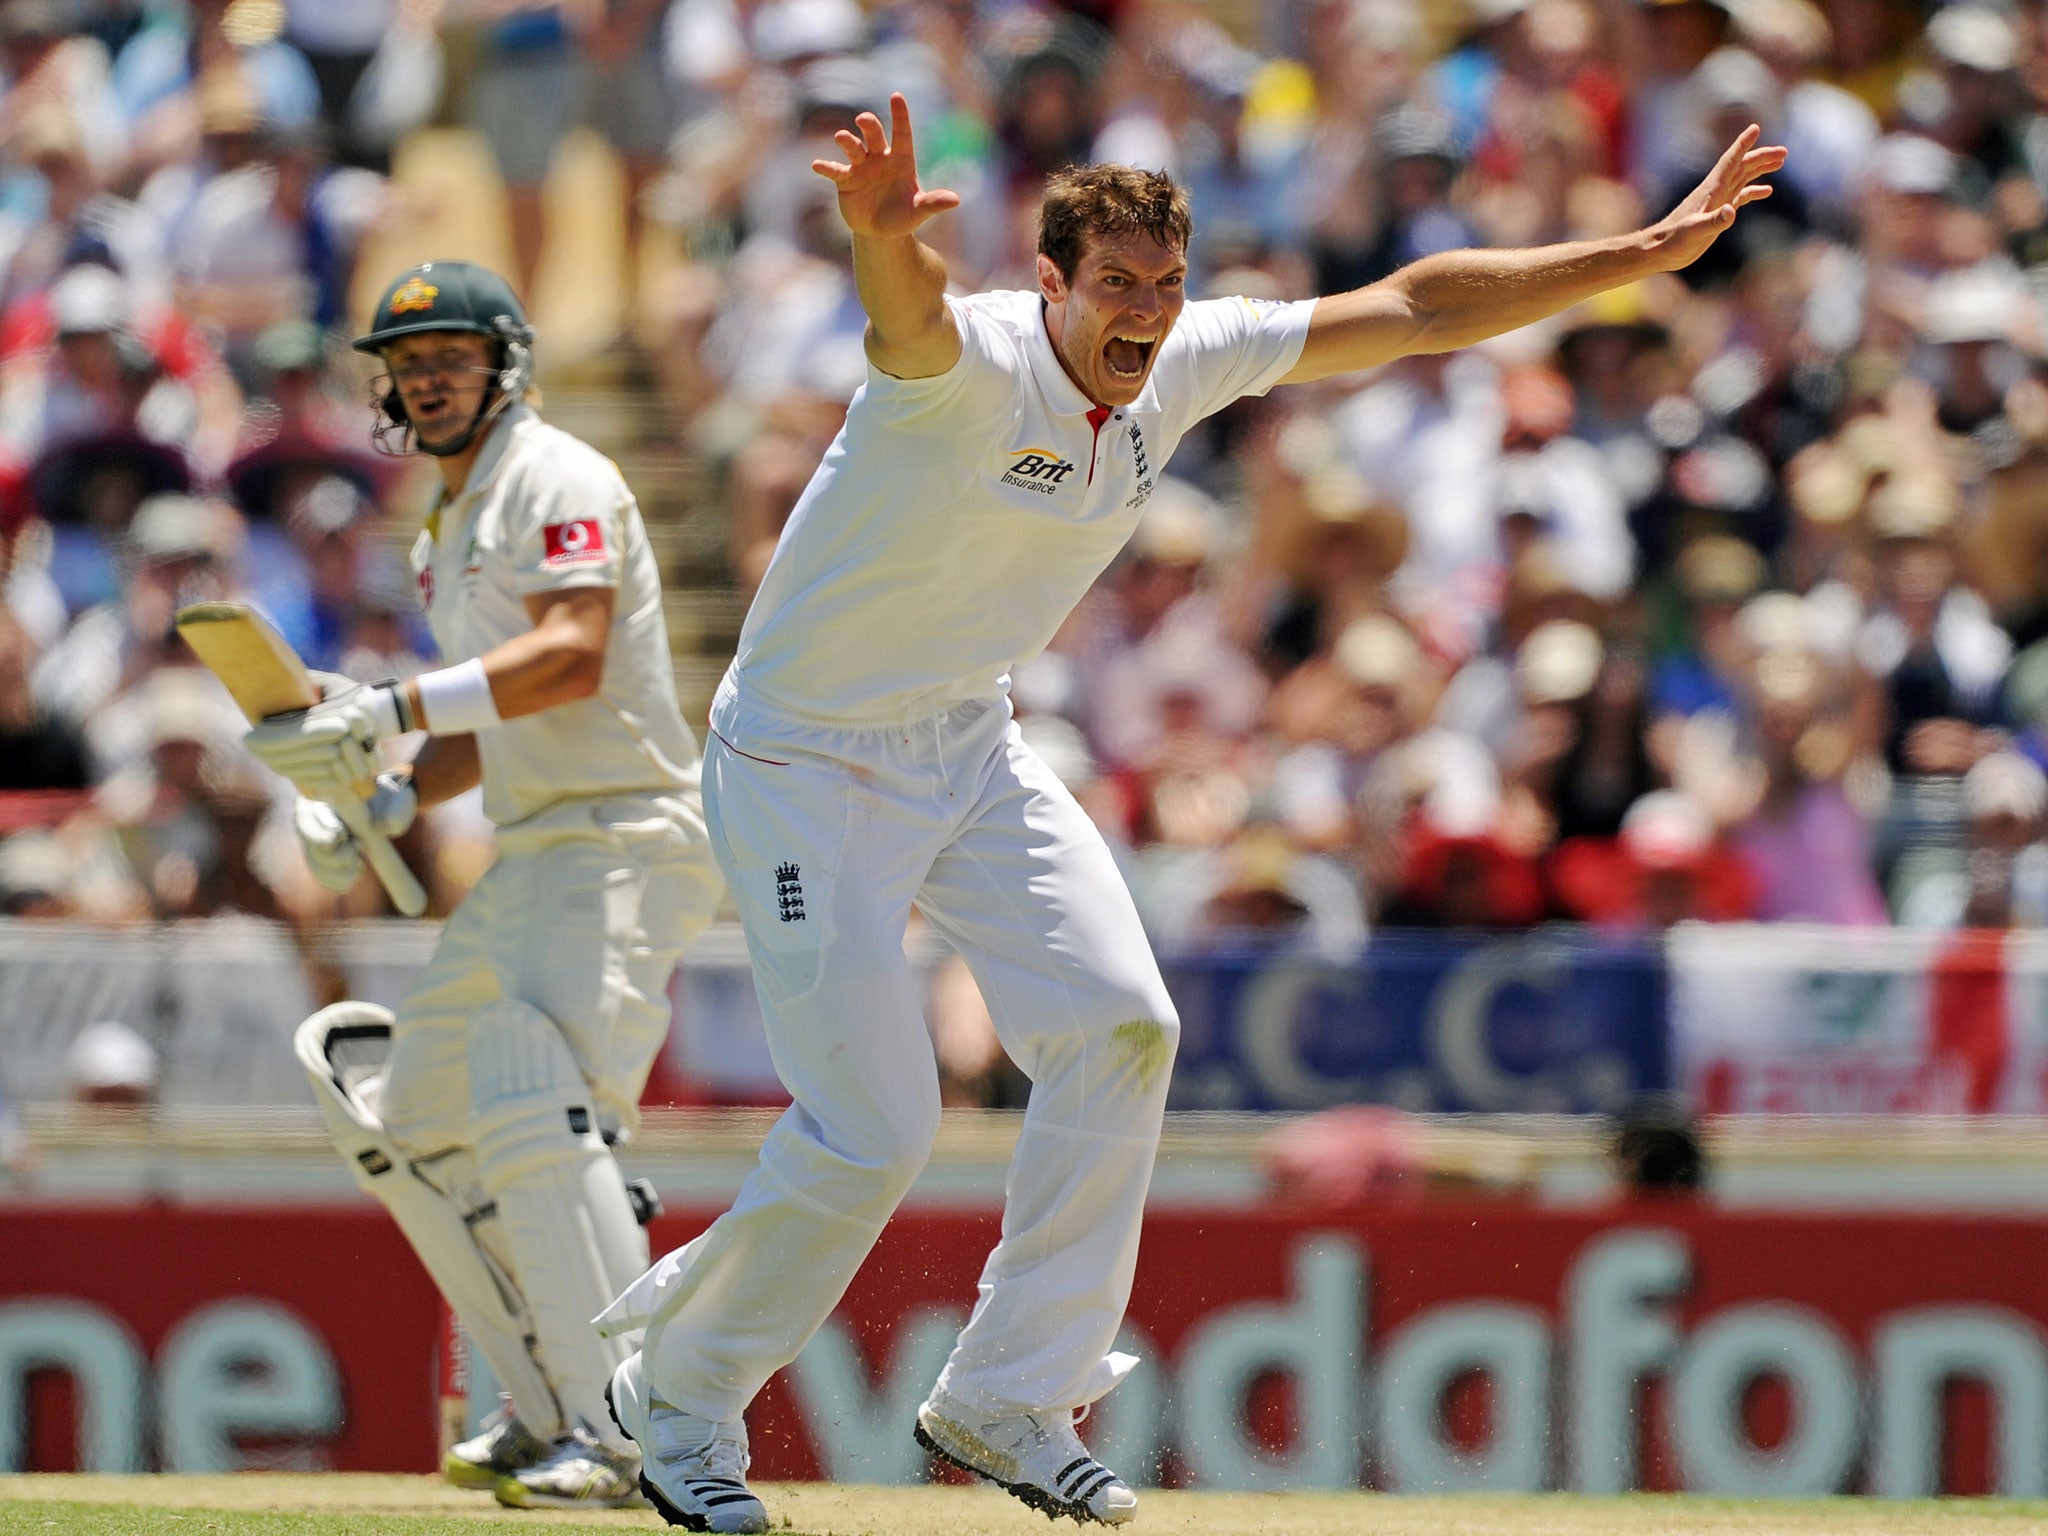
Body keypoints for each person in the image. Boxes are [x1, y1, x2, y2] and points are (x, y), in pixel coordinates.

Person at [594, 95, 1783, 1532]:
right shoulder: (968, 360)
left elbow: (1410, 307)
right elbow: (903, 317)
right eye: (1116, 286)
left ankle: (1011, 1393)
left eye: (1165, 284)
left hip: (965, 741)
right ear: (1052, 284)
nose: (1148, 314)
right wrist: (874, 240)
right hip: (796, 762)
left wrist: (1646, 252)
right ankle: (682, 1399)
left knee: (1122, 1026)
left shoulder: (1190, 357)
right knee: (874, 1130)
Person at [243, 261, 724, 1510]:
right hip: (537, 845)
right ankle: (543, 1397)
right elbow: (489, 713)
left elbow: (565, 657)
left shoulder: (558, 475)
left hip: (623, 835)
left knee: (534, 1099)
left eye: (452, 357)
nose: (429, 380)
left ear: (504, 365)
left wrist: (387, 706)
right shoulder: (442, 527)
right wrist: (392, 792)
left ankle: (627, 1434)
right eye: (409, 366)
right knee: (415, 1119)